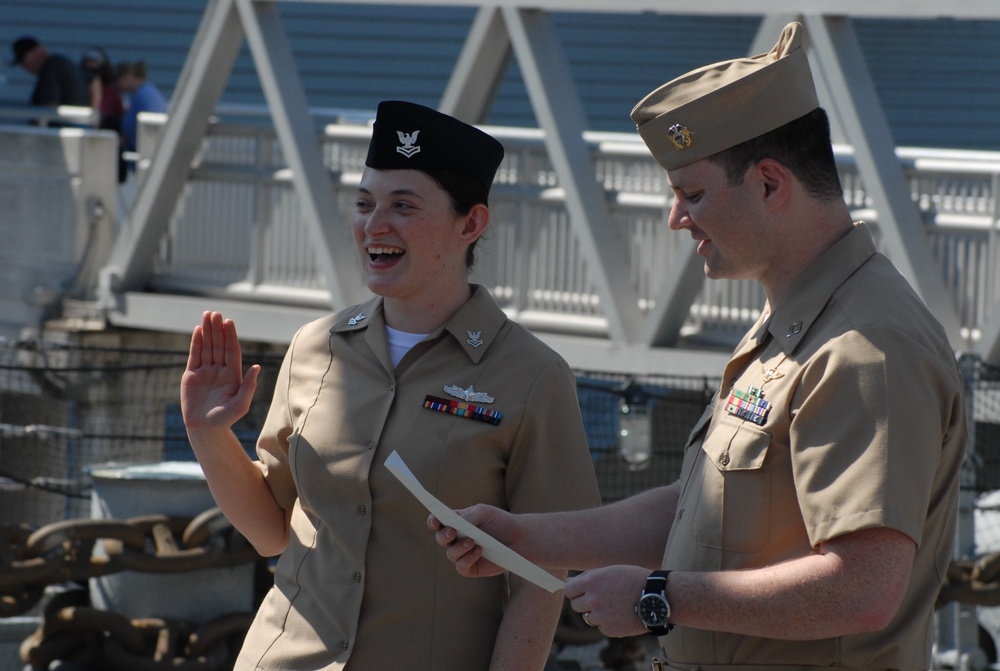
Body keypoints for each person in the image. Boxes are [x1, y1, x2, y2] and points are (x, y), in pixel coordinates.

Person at [432, 22, 967, 671]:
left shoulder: (863, 345)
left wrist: (660, 597)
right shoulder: (798, 321)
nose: (676, 218)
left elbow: (862, 588)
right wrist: (527, 536)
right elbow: (701, 513)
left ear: (770, 184)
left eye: (692, 193)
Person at [180, 100, 602, 670]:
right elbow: (273, 533)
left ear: (471, 224)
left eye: (403, 206)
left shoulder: (531, 376)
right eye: (364, 204)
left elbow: (544, 573)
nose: (375, 225)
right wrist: (208, 436)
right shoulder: (316, 345)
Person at [9, 35, 90, 110]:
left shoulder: (51, 69)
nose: (26, 69)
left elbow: (48, 106)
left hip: (63, 123)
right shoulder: (61, 63)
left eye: (24, 63)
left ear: (37, 53)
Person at [116, 60, 167, 153]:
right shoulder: (138, 95)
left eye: (118, 79)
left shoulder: (146, 95)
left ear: (128, 76)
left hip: (145, 156)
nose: (117, 84)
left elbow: (154, 128)